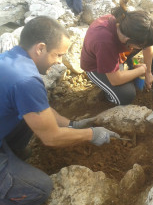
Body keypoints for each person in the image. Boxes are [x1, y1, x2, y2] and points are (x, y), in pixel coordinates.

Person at [0, 16, 119, 205]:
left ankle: (12, 156)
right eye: (58, 55)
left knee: (27, 115)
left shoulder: (12, 59)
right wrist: (91, 134)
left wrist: (72, 125)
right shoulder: (26, 81)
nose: (60, 62)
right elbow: (51, 138)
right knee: (40, 188)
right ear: (40, 48)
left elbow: (40, 110)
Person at [80, 0, 153, 105]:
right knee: (126, 95)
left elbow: (147, 44)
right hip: (96, 66)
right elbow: (115, 79)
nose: (143, 48)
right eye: (141, 46)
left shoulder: (128, 24)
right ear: (128, 41)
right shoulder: (104, 42)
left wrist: (148, 72)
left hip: (117, 52)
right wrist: (141, 70)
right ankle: (109, 91)